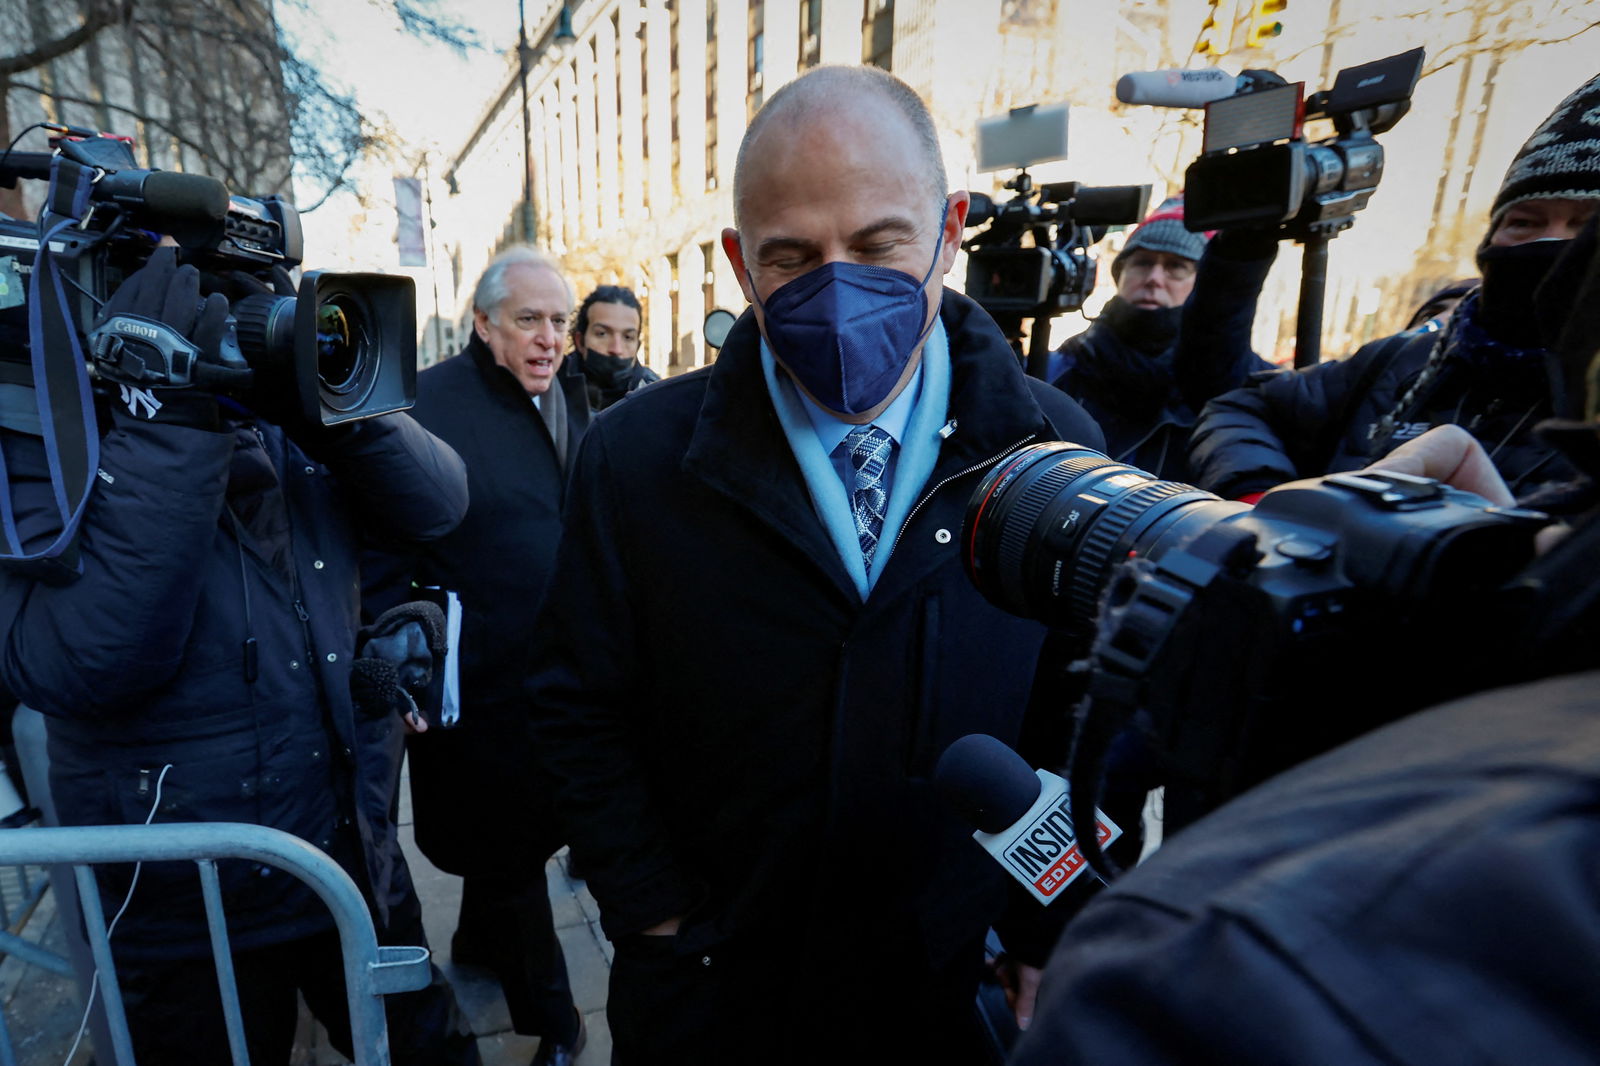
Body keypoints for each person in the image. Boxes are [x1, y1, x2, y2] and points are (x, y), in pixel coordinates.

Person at [525, 64, 1104, 1065]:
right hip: (713, 992)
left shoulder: (1054, 452)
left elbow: (1070, 712)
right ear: (740, 264)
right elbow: (576, 702)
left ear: (949, 228)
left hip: (938, 979)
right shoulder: (634, 457)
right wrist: (656, 915)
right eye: (792, 259)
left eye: (878, 245)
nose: (839, 290)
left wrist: (1040, 926)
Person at [0, 248, 479, 1064]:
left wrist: (322, 399)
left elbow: (439, 502)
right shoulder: (40, 396)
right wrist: (166, 411)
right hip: (187, 910)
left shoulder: (278, 405)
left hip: (344, 858)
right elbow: (78, 661)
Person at [366, 245, 588, 1065]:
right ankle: (559, 1024)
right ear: (484, 324)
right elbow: (383, 543)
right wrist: (400, 662)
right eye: (529, 320)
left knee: (508, 848)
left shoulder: (564, 391)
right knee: (505, 851)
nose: (549, 338)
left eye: (558, 322)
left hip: (548, 674)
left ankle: (477, 945)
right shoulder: (425, 402)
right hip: (469, 686)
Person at [1188, 72, 1600, 503]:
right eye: (1524, 222)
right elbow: (1241, 406)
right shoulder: (1404, 361)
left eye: (1585, 224)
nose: (1548, 242)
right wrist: (1260, 499)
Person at [1050, 198, 1276, 480]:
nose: (1154, 278)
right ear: (1120, 275)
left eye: (1176, 266)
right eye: (1142, 263)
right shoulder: (1057, 370)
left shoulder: (1242, 382)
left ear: (1205, 284)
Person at [572, 284, 657, 411]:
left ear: (638, 345)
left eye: (628, 337)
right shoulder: (549, 387)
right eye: (602, 334)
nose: (616, 349)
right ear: (580, 341)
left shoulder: (655, 394)